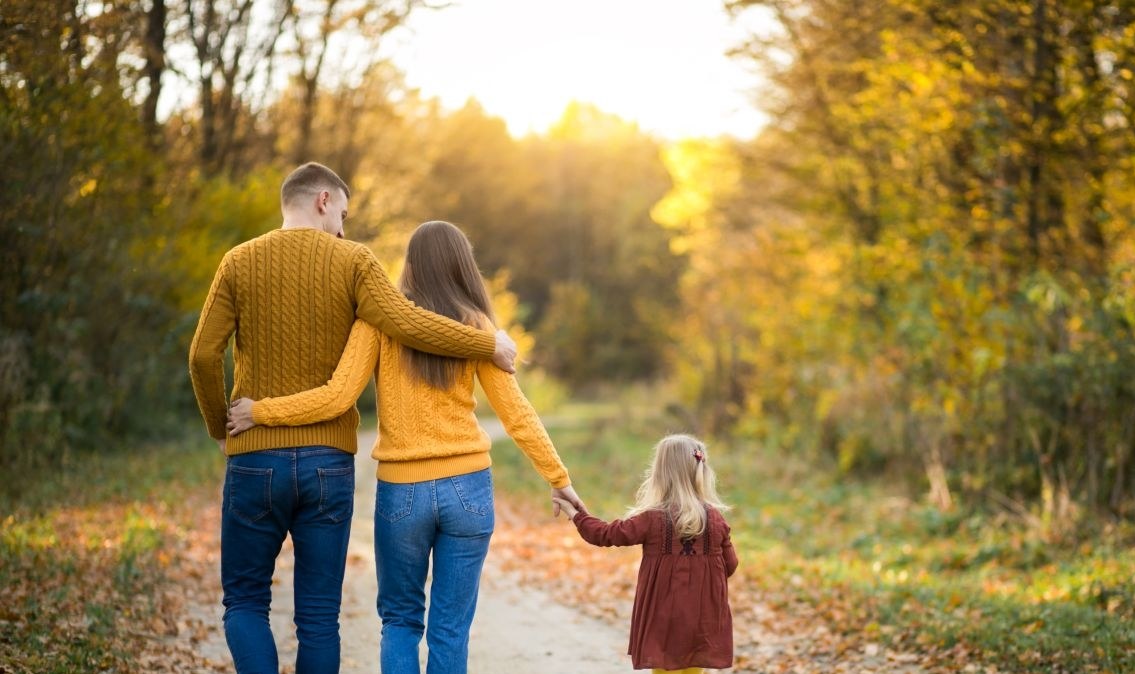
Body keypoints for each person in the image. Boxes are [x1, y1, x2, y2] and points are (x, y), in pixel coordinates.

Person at [189, 163, 519, 674]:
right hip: (328, 464)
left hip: (254, 457)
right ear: (323, 200)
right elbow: (407, 322)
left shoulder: (238, 261)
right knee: (319, 616)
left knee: (245, 602)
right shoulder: (354, 261)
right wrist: (486, 340)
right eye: (341, 212)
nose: (343, 227)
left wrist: (221, 427)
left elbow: (203, 357)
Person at [223, 220, 584, 674]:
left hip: (402, 493)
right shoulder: (477, 329)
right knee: (450, 628)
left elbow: (337, 396)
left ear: (410, 265)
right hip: (468, 490)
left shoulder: (378, 323)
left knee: (400, 621)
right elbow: (518, 414)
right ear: (462, 267)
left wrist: (261, 411)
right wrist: (559, 479)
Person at [551, 434, 737, 674]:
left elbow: (606, 535)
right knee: (693, 668)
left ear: (660, 474)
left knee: (663, 667)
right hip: (702, 620)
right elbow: (730, 565)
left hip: (663, 618)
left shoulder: (652, 519)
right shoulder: (716, 520)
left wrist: (576, 513)